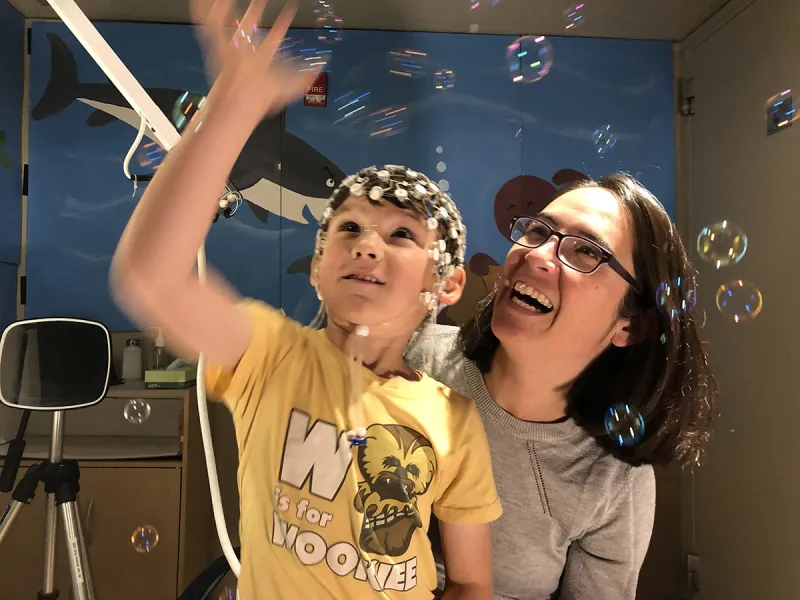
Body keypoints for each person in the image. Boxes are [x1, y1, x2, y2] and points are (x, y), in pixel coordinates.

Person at [108, 0, 502, 598]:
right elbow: (151, 278)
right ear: (317, 269)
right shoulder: (269, 354)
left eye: (401, 235)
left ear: (444, 286)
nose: (368, 245)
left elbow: (472, 582)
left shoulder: (455, 418)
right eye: (348, 229)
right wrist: (231, 107)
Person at [406, 173, 719, 599]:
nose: (538, 255)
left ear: (631, 324)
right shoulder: (405, 355)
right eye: (538, 230)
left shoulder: (613, 478)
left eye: (586, 251)